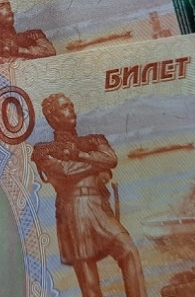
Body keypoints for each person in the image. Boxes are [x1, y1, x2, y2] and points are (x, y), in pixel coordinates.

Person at [32, 94, 147, 297]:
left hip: (99, 208)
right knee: (89, 281)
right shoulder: (43, 150)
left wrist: (79, 155)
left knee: (129, 250)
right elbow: (64, 171)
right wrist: (96, 166)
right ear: (53, 117)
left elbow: (111, 159)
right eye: (65, 107)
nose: (71, 109)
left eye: (71, 105)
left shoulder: (94, 140)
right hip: (73, 212)